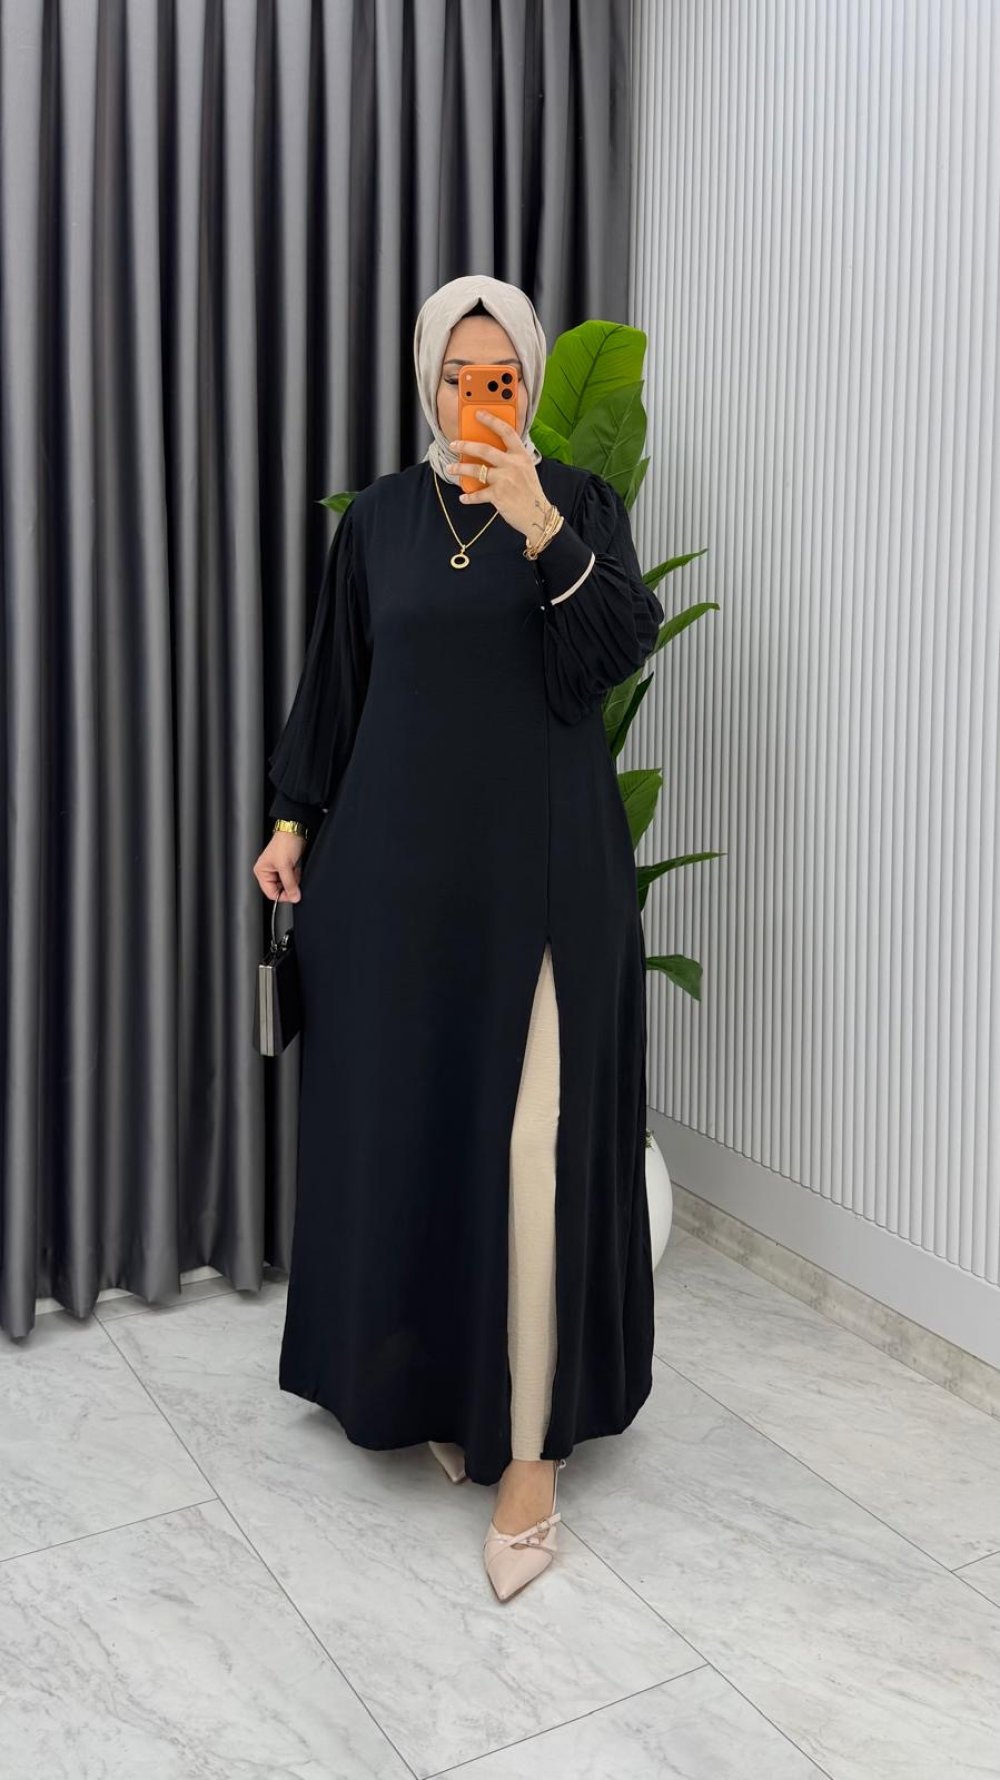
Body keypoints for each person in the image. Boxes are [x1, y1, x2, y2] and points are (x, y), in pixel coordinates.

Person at [252, 273, 664, 1602]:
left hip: (543, 877)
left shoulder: (580, 506)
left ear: (528, 384)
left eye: (502, 375)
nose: (478, 395)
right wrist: (294, 820)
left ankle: (530, 1453)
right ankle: (447, 1389)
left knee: (535, 1147)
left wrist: (541, 525)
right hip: (395, 881)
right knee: (424, 1135)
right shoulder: (381, 519)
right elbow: (340, 683)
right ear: (429, 380)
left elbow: (614, 650)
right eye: (456, 374)